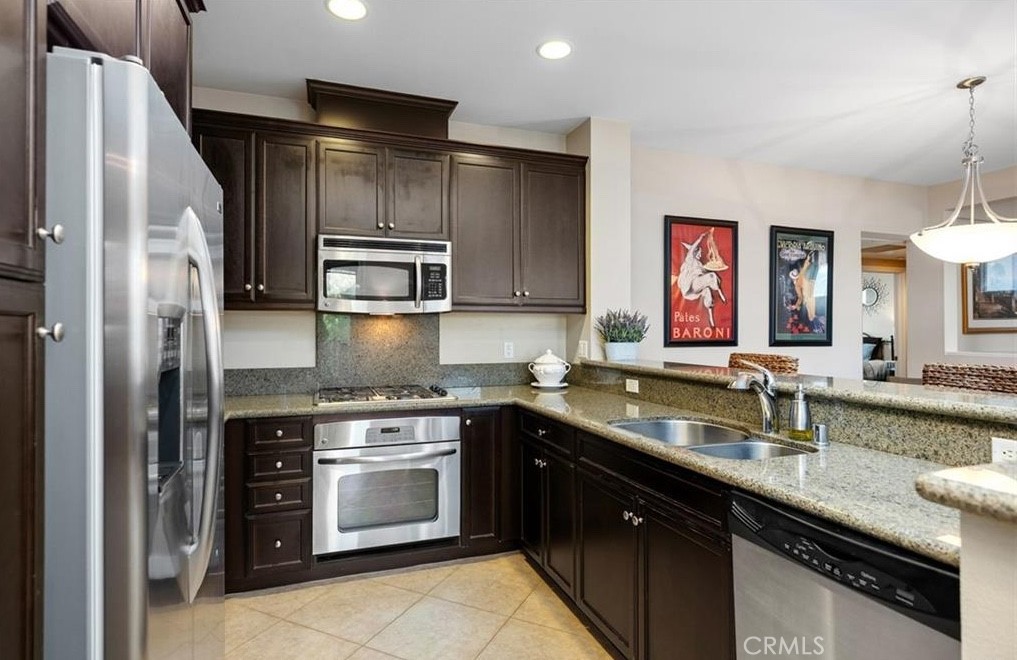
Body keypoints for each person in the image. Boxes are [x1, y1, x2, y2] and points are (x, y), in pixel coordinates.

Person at [677, 229, 727, 327]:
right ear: (694, 253)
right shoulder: (690, 260)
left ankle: (711, 319)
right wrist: (700, 239)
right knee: (712, 276)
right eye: (698, 253)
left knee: (708, 291)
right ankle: (721, 294)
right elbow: (691, 250)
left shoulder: (699, 264)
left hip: (696, 289)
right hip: (692, 285)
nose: (700, 255)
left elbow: (704, 272)